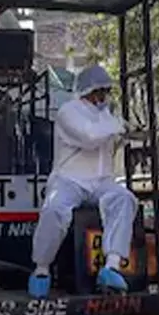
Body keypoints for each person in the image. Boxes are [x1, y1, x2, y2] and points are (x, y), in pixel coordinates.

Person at [29, 63, 136, 298]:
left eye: (107, 92)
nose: (104, 97)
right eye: (101, 91)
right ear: (88, 91)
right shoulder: (69, 111)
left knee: (124, 199)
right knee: (55, 210)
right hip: (69, 180)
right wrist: (117, 126)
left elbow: (107, 143)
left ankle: (112, 266)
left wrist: (124, 135)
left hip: (101, 181)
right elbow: (89, 137)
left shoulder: (106, 115)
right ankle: (42, 268)